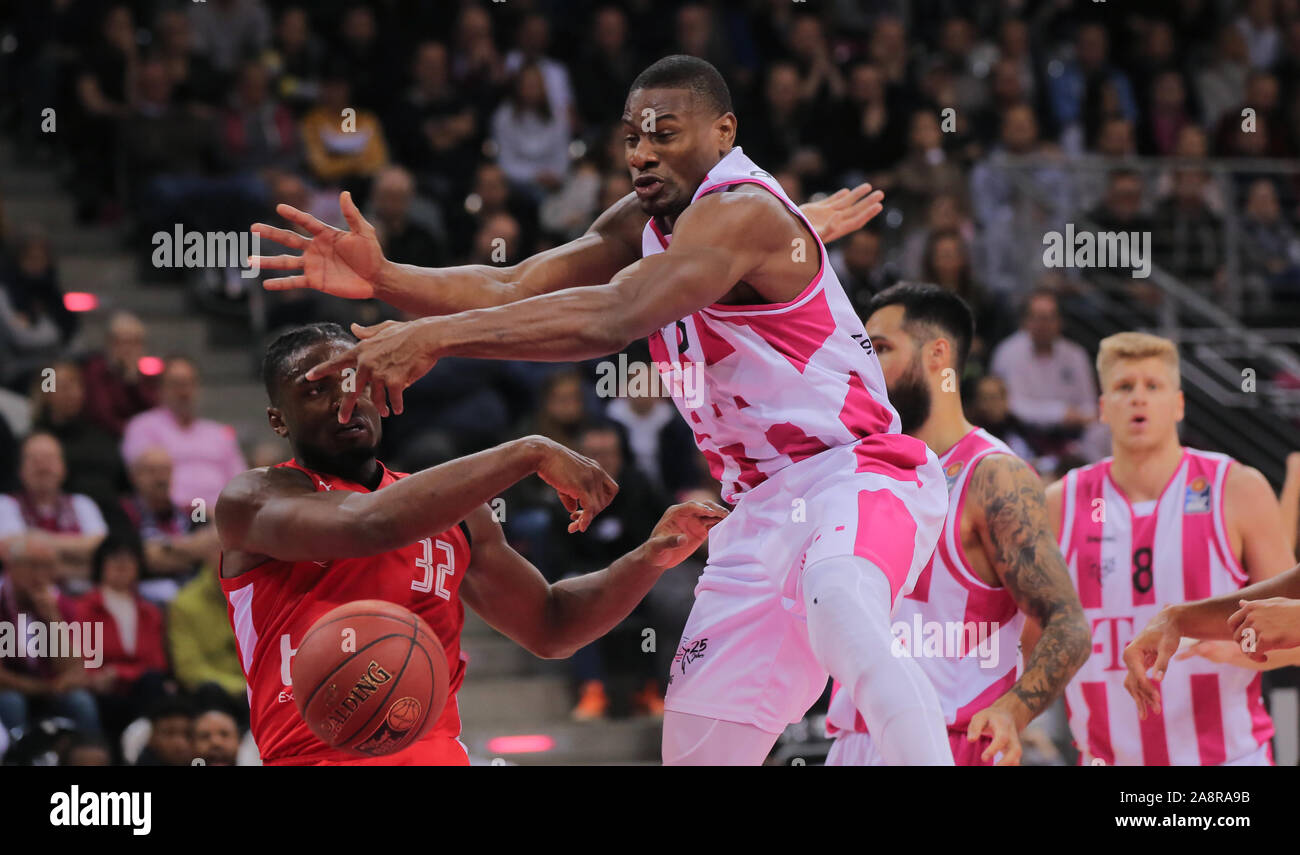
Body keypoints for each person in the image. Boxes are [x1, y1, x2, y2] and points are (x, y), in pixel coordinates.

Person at [251, 55, 951, 766]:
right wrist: (388, 278)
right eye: (630, 138)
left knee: (842, 604)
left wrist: (434, 337)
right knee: (698, 749)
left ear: (723, 131)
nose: (641, 153)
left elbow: (615, 316)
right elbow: (511, 283)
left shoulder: (742, 209)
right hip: (758, 511)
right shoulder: (646, 221)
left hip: (855, 474)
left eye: (664, 134)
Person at [214, 322, 726, 765]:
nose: (343, 402)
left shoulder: (455, 514)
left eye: (354, 383)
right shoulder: (253, 500)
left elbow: (552, 625)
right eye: (315, 392)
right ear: (278, 420)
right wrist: (528, 452)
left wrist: (650, 557)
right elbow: (370, 526)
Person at [824, 283, 1089, 765]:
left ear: (937, 355)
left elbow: (1068, 625)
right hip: (855, 741)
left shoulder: (994, 475)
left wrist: (1014, 711)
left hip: (952, 740)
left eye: (881, 349)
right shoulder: (857, 470)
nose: (866, 366)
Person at [1044, 332, 1295, 765]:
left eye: (1152, 386)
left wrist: (1241, 650)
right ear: (1103, 408)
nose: (1138, 398)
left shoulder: (1236, 488)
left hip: (1227, 760)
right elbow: (1031, 639)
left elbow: (1294, 634)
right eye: (1124, 387)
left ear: (1178, 404)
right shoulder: (1059, 503)